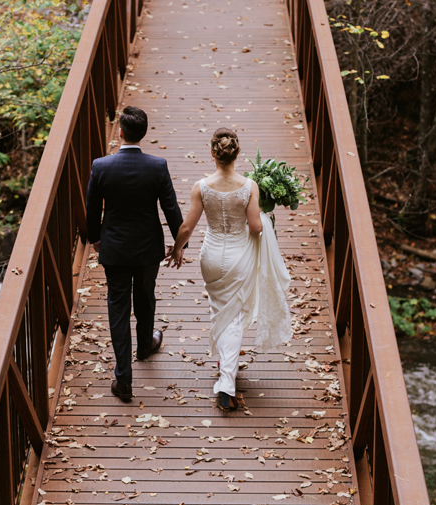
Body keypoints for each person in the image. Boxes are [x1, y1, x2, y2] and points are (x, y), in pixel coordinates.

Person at [166, 128, 292, 411]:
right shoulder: (249, 187)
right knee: (233, 317)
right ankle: (226, 385)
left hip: (211, 256)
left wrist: (176, 249)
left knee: (219, 310)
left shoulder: (201, 186)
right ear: (237, 154)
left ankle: (225, 363)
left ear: (213, 153)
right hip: (238, 256)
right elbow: (256, 228)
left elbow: (187, 227)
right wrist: (264, 214)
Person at [85, 106, 184, 404]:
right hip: (147, 248)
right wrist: (179, 244)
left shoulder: (101, 166)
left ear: (121, 132)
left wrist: (95, 240)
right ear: (143, 133)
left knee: (118, 309)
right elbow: (171, 208)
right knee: (145, 296)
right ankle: (144, 345)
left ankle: (124, 379)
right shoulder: (157, 166)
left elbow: (92, 210)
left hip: (114, 249)